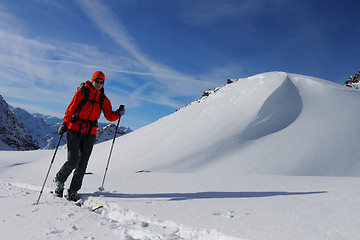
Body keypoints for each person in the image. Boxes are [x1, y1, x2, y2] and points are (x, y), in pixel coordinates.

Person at [54, 71, 125, 201]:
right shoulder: (81, 93)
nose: (98, 84)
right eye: (97, 81)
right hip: (74, 130)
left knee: (82, 164)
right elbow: (70, 109)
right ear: (92, 80)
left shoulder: (103, 98)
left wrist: (118, 114)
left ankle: (73, 190)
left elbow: (109, 115)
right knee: (72, 161)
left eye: (101, 82)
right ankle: (59, 181)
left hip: (90, 133)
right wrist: (65, 123)